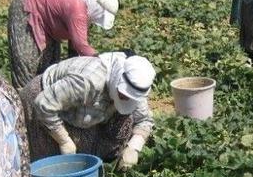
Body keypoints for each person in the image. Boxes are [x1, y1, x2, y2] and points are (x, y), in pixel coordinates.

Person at [18, 52, 156, 168]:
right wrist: (63, 140)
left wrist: (134, 147)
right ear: (117, 79)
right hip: (43, 100)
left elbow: (144, 119)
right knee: (54, 163)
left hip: (83, 109)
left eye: (130, 97)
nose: (126, 99)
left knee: (124, 122)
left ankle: (103, 159)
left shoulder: (136, 88)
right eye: (123, 94)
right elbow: (44, 104)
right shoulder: (90, 81)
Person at [7, 0, 119, 88]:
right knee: (27, 67)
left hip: (48, 26)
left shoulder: (83, 9)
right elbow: (81, 45)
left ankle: (41, 96)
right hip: (28, 8)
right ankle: (22, 98)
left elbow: (75, 45)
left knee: (49, 68)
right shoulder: (77, 8)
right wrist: (103, 64)